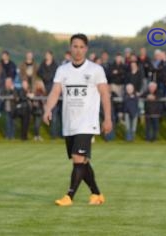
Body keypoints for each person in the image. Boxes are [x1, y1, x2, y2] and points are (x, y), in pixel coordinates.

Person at [42, 34, 112, 206]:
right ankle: (96, 194)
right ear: (70, 48)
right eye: (75, 46)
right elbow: (55, 92)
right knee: (82, 161)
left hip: (87, 123)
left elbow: (105, 94)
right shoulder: (63, 70)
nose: (78, 50)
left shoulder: (95, 70)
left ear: (86, 49)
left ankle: (69, 196)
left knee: (77, 158)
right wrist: (47, 109)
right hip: (70, 123)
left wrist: (108, 118)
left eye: (81, 47)